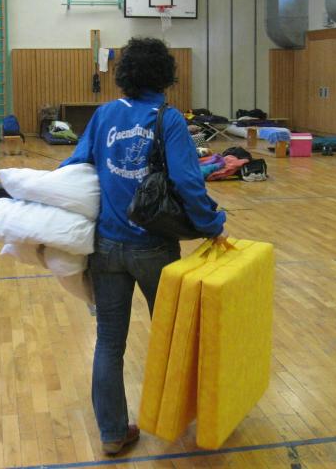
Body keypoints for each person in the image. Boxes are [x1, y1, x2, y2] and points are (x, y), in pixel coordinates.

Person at [60, 37, 227, 456]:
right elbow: (187, 182)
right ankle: (176, 419)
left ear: (125, 74)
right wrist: (212, 224)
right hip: (154, 247)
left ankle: (113, 433)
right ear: (166, 76)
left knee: (108, 342)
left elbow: (74, 167)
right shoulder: (169, 120)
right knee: (172, 338)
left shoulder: (104, 114)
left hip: (106, 247)